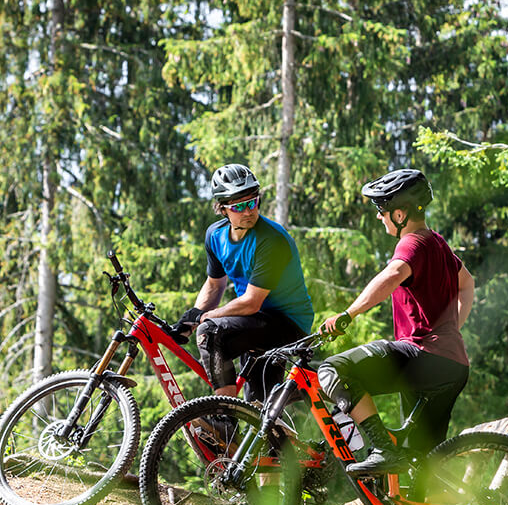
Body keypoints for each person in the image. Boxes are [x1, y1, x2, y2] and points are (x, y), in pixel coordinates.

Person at [319, 168, 473, 477]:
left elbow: (392, 275)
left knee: (333, 369)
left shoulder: (412, 243)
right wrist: (453, 327)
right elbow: (467, 283)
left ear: (400, 214)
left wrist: (349, 313)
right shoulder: (438, 243)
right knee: (422, 461)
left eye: (382, 211)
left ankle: (381, 448)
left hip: (422, 355)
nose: (380, 217)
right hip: (453, 366)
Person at [173, 163, 314, 403]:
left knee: (212, 332)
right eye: (239, 206)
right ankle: (245, 430)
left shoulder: (272, 239)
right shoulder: (215, 236)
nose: (248, 211)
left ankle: (225, 417)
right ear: (222, 208)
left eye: (253, 202)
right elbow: (215, 285)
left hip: (288, 325)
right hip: (254, 324)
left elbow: (251, 303)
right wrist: (194, 316)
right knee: (259, 412)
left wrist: (206, 319)